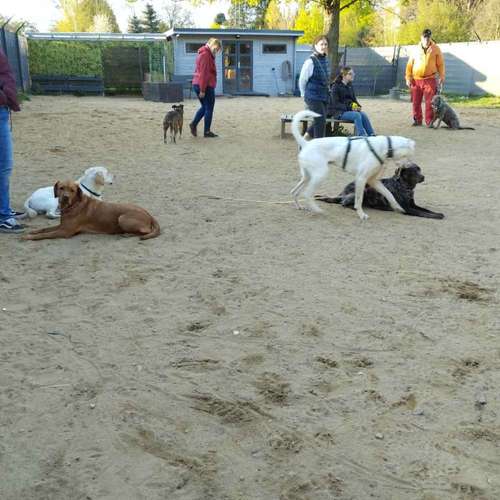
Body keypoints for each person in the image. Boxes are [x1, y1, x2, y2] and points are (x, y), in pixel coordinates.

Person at [0, 47, 24, 234]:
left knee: (5, 165)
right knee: (4, 165)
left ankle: (4, 209)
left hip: (3, 108)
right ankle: (3, 215)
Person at [405, 28, 445, 127]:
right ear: (421, 37)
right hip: (416, 79)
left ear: (430, 37)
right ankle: (417, 120)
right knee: (415, 102)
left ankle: (429, 121)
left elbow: (440, 64)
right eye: (425, 37)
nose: (426, 39)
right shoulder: (415, 49)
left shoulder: (436, 49)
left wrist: (441, 76)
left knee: (430, 103)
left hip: (430, 79)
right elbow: (409, 65)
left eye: (428, 37)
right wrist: (408, 77)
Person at [298, 35, 330, 139]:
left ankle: (305, 139)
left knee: (321, 120)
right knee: (320, 123)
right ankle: (318, 147)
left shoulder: (325, 60)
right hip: (313, 97)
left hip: (323, 96)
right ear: (315, 45)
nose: (323, 46)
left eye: (325, 44)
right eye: (321, 44)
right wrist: (303, 94)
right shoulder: (310, 62)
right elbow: (302, 80)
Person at [329, 67, 376, 137]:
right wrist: (350, 108)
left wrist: (358, 107)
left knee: (363, 114)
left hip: (348, 110)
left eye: (353, 73)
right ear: (343, 75)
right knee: (356, 115)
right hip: (338, 112)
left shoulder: (350, 86)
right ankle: (361, 136)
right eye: (350, 74)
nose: (353, 75)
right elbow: (335, 104)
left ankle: (372, 135)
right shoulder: (335, 86)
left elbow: (354, 100)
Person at [189, 38, 221, 138]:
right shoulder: (206, 55)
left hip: (200, 83)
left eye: (218, 50)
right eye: (216, 49)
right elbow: (204, 74)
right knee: (209, 108)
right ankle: (206, 131)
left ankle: (194, 124)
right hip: (205, 85)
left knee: (205, 107)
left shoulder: (205, 54)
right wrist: (202, 90)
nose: (216, 51)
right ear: (211, 45)